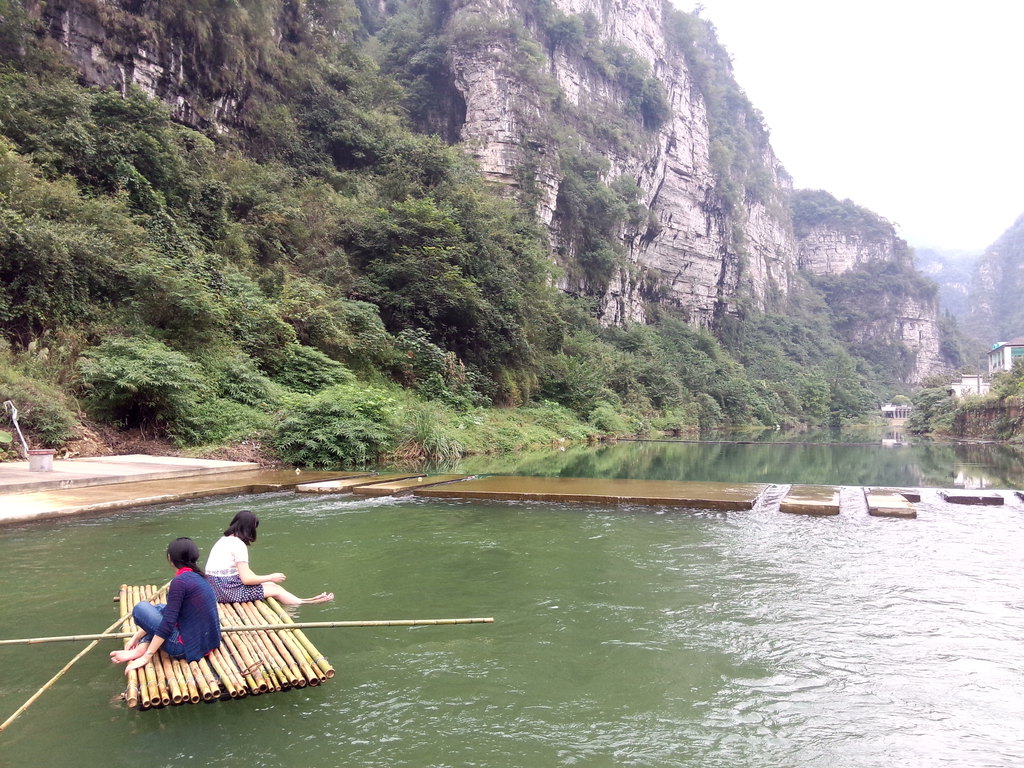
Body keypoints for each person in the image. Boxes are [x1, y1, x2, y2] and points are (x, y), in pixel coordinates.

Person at [110, 537, 221, 672]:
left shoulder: (180, 582)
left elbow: (167, 624)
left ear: (170, 558)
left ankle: (142, 650)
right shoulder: (200, 577)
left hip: (184, 648)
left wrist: (146, 657)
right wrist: (137, 636)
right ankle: (143, 644)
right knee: (160, 608)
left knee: (141, 609)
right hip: (208, 643)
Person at [205, 510, 333, 605]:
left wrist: (265, 580)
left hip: (214, 587)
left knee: (269, 584)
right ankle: (307, 603)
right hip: (226, 591)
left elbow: (246, 572)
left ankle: (305, 599)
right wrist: (271, 576)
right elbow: (246, 579)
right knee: (275, 588)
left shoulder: (223, 540)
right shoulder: (239, 545)